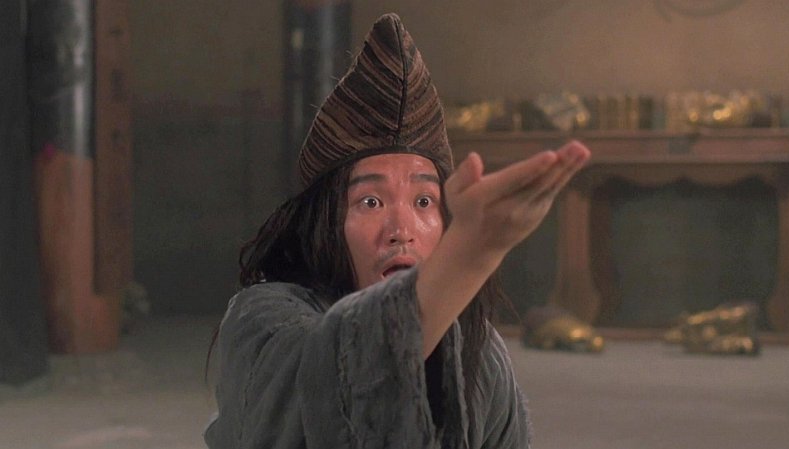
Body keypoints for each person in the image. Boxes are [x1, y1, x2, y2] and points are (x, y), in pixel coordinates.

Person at [204, 13, 590, 449]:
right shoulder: (262, 318)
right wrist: (472, 251)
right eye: (370, 202)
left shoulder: (480, 354)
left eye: (424, 202)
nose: (401, 231)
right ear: (324, 223)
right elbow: (328, 379)